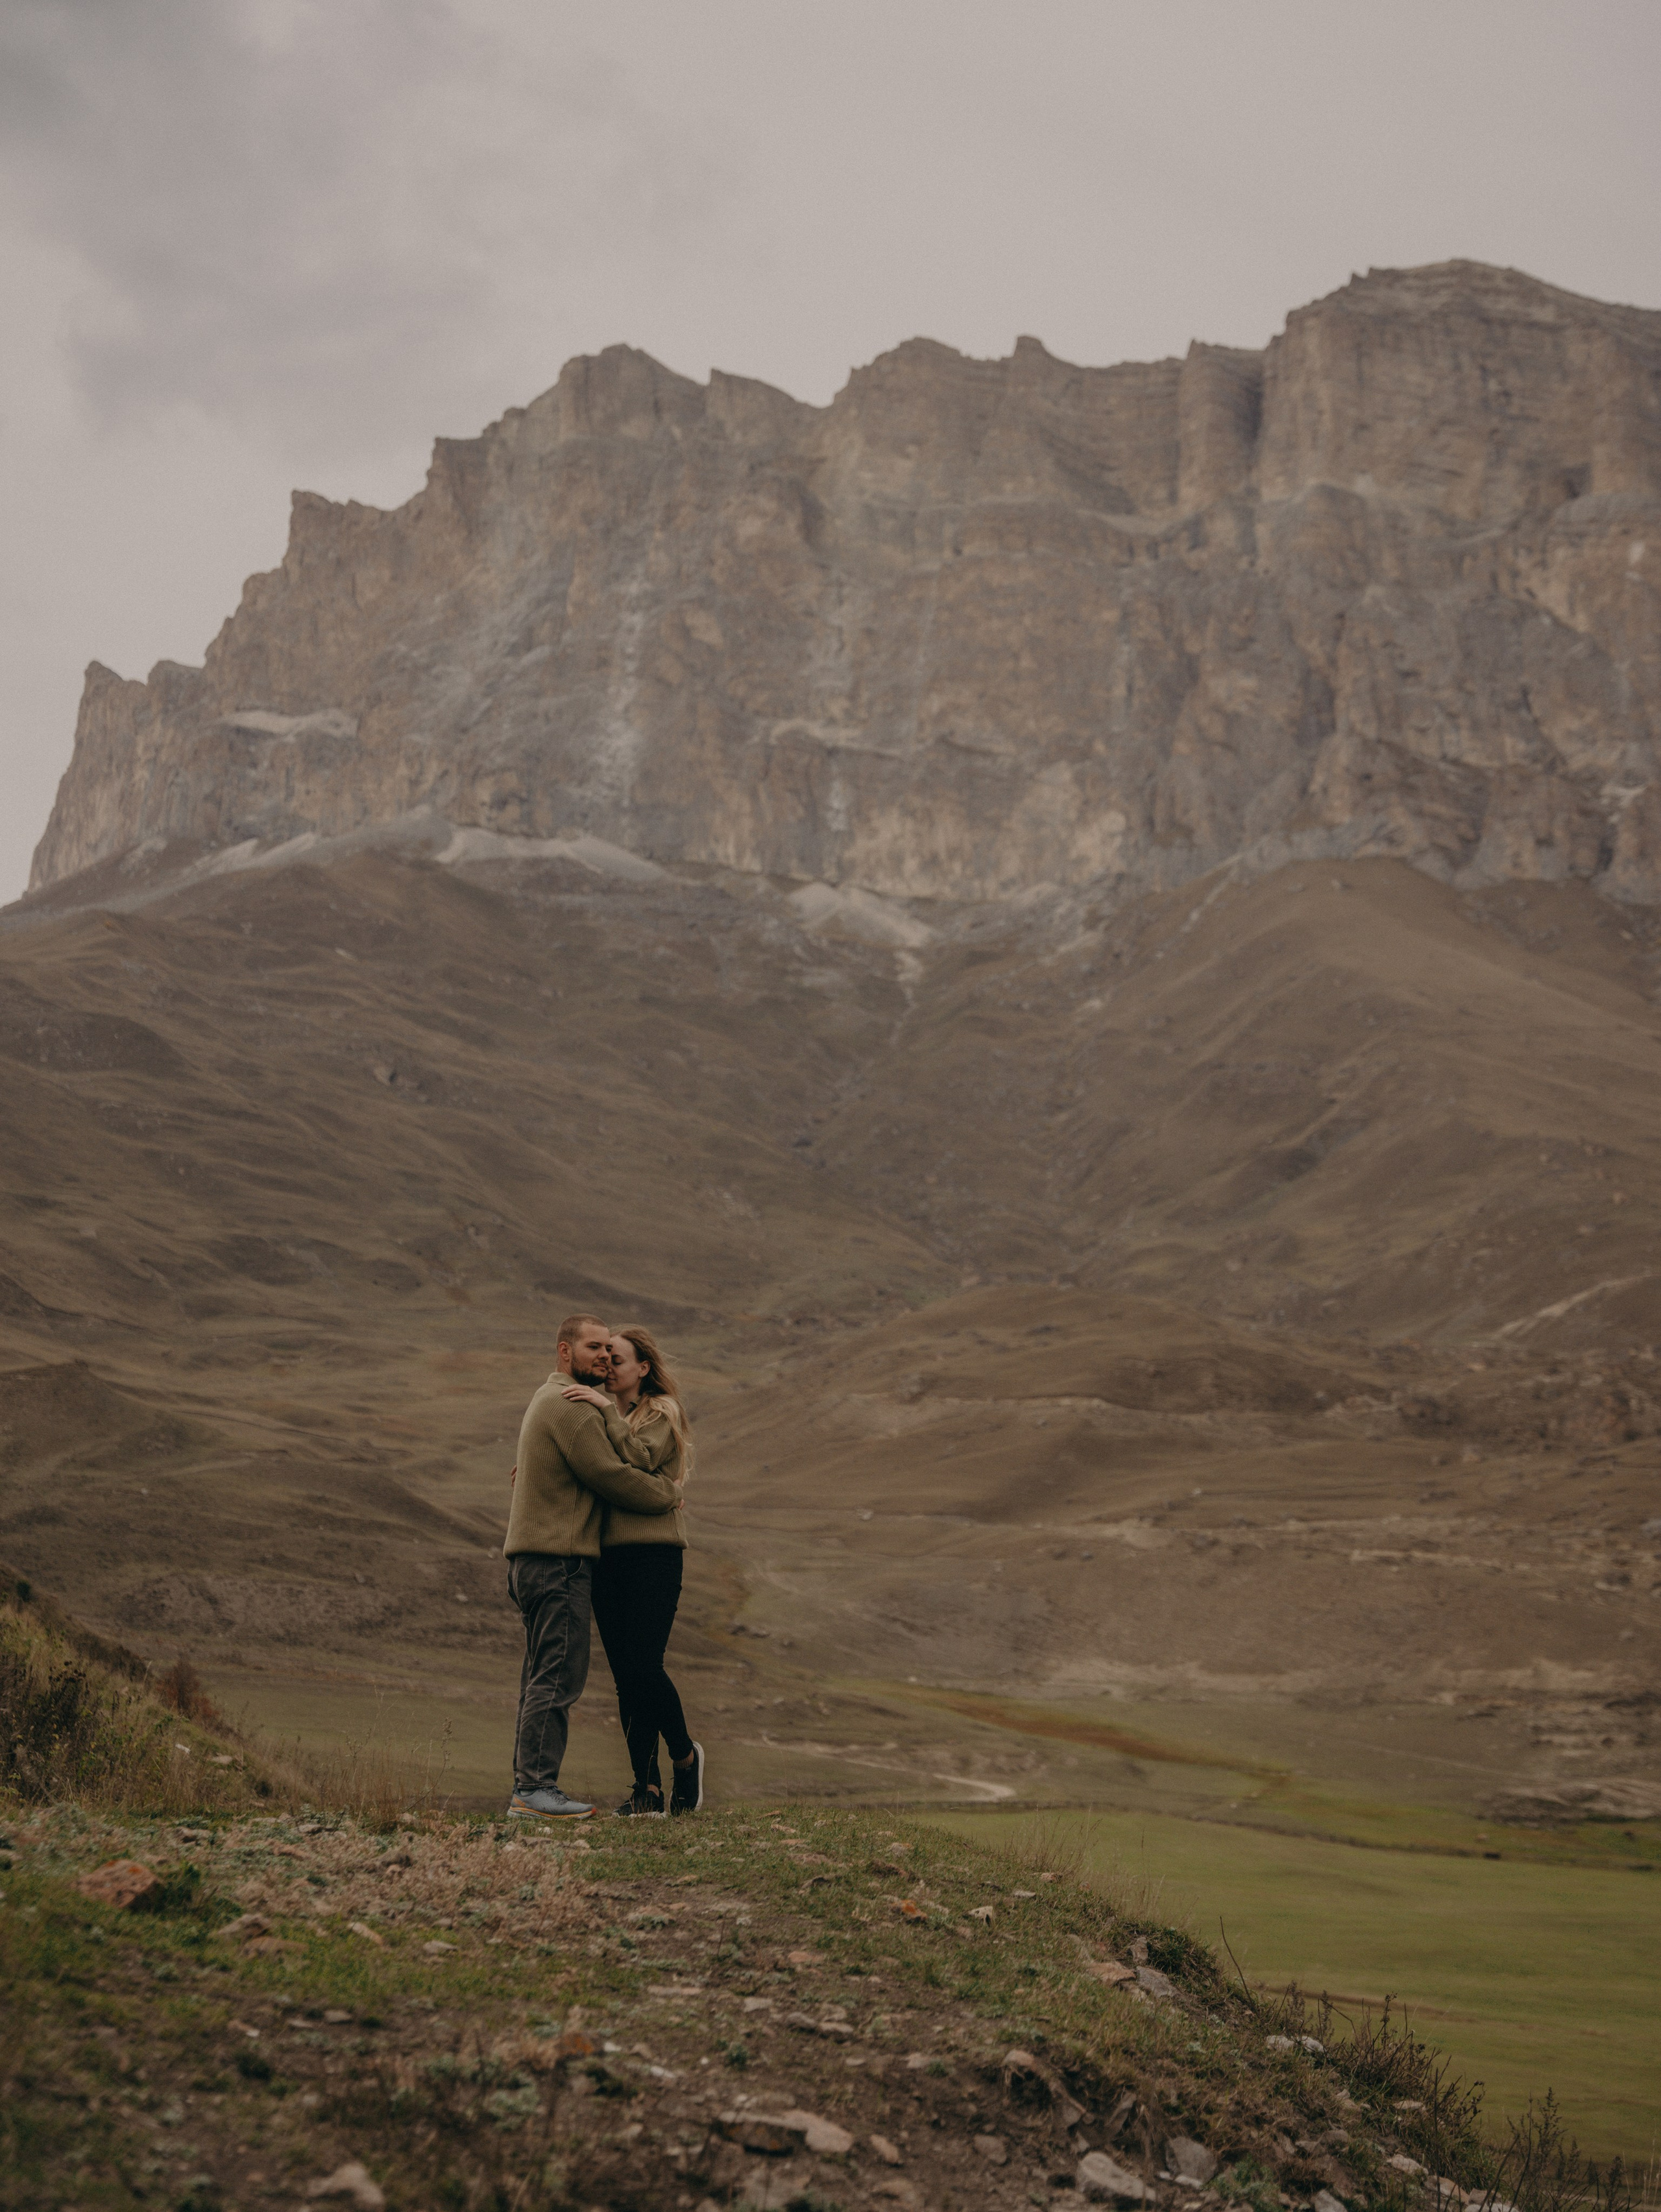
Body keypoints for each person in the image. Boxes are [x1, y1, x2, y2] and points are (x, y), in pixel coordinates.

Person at [502, 1314, 684, 1820]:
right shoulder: (573, 1407)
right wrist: (668, 1493)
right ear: (565, 1352)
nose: (603, 1357)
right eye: (593, 1348)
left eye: (609, 1350)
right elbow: (614, 1477)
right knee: (558, 1677)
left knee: (541, 1676)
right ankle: (535, 1790)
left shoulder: (550, 1399)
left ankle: (528, 1786)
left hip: (536, 1560)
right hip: (557, 1563)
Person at [562, 1325, 704, 1818]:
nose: (607, 1367)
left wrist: (605, 1414)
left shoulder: (660, 1412)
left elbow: (640, 1460)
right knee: (625, 1679)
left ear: (643, 1368)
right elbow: (594, 1469)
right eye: (603, 1359)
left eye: (617, 1360)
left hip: (654, 1556)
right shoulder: (603, 1415)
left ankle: (685, 1757)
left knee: (645, 1666)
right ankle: (646, 1790)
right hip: (608, 1558)